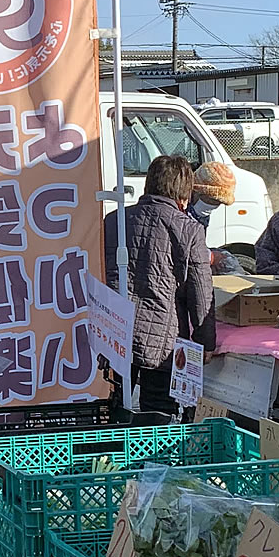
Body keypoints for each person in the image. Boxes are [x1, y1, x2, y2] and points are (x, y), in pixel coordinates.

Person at [114, 153, 213, 417]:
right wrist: (205, 341)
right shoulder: (190, 230)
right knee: (158, 409)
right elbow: (201, 292)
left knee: (116, 404)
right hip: (164, 334)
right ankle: (151, 459)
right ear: (184, 194)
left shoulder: (115, 220)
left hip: (115, 328)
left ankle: (112, 456)